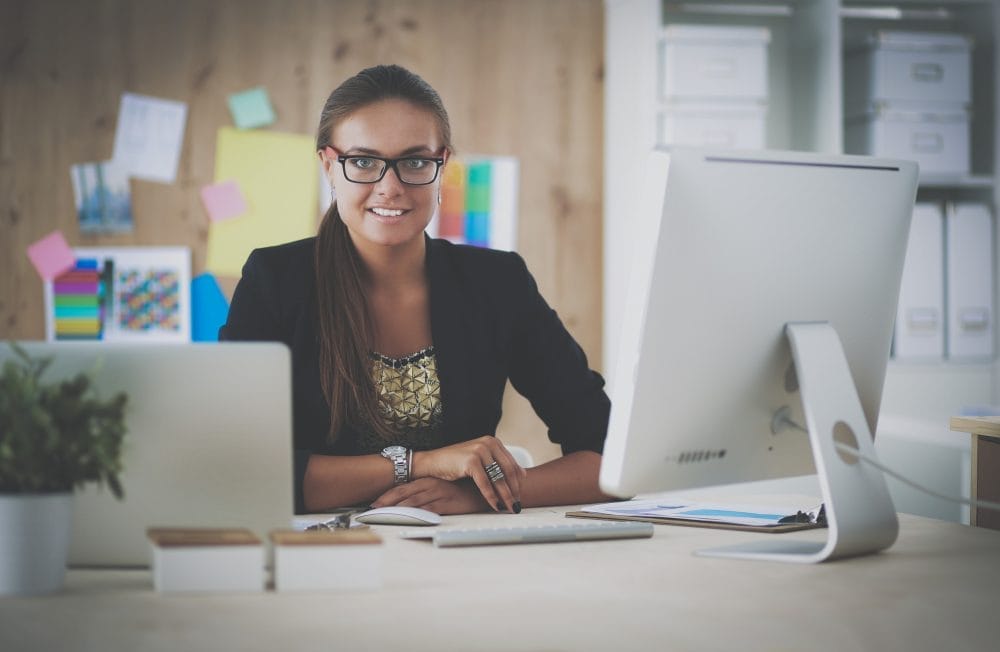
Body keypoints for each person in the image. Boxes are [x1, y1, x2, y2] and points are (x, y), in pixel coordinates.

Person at [220, 64, 612, 515]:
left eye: (414, 162)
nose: (390, 187)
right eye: (363, 162)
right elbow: (238, 470)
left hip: (458, 553)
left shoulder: (498, 283)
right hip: (322, 553)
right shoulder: (275, 280)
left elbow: (610, 458)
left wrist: (476, 496)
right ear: (329, 165)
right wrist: (421, 464)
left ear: (441, 165)